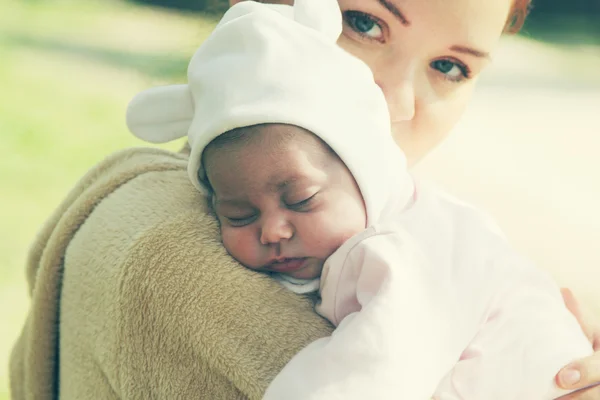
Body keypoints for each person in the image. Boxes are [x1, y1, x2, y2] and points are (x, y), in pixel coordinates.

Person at [9, 0, 600, 398]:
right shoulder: (173, 261)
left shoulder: (411, 233)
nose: (395, 102)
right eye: (365, 24)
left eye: (449, 66)